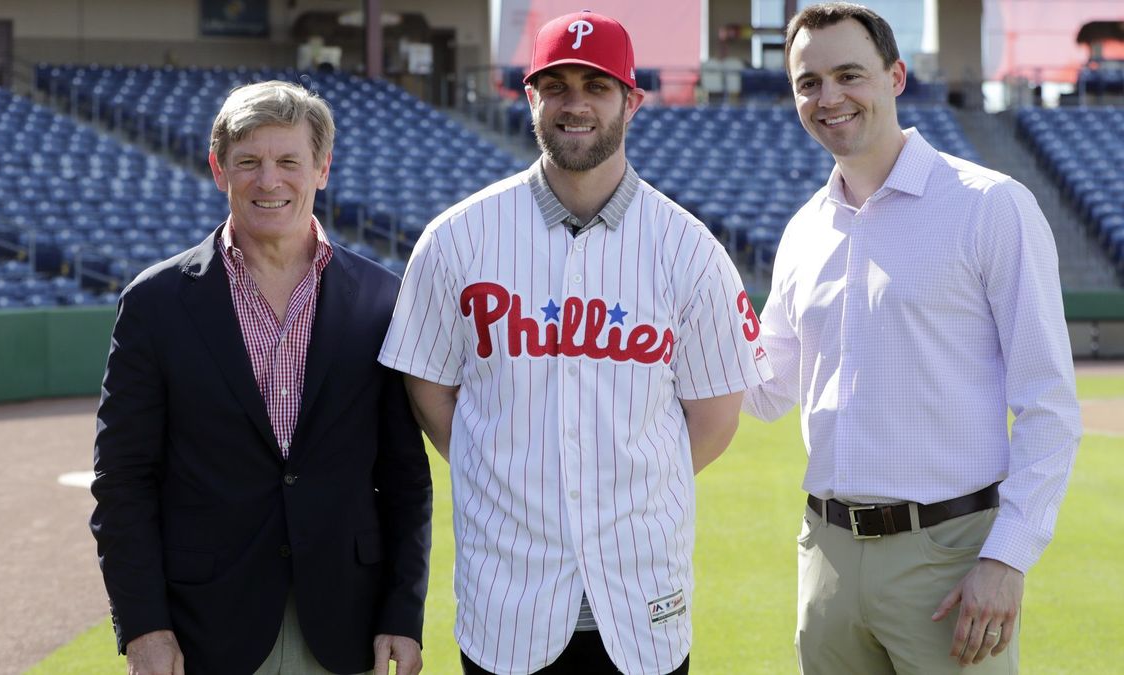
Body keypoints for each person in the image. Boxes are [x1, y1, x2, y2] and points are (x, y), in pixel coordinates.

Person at [379, 10, 771, 675]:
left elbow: (714, 417)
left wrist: (618, 485)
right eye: (555, 85)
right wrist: (505, 466)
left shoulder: (689, 251)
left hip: (642, 597)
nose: (575, 103)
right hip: (508, 598)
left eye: (597, 85)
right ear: (530, 97)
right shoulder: (458, 239)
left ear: (632, 100)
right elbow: (429, 391)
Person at [742, 3, 1082, 674]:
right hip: (828, 556)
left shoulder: (990, 205)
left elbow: (1049, 402)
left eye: (850, 74)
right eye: (808, 82)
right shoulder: (804, 229)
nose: (829, 97)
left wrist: (1006, 555)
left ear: (896, 76)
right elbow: (765, 390)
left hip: (950, 560)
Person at [89, 81, 432, 675]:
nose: (268, 180)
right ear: (218, 168)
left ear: (322, 169)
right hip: (204, 627)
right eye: (248, 161)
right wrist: (143, 624)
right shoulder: (156, 303)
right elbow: (123, 481)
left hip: (346, 624)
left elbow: (406, 478)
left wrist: (403, 614)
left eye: (288, 161)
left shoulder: (382, 299)